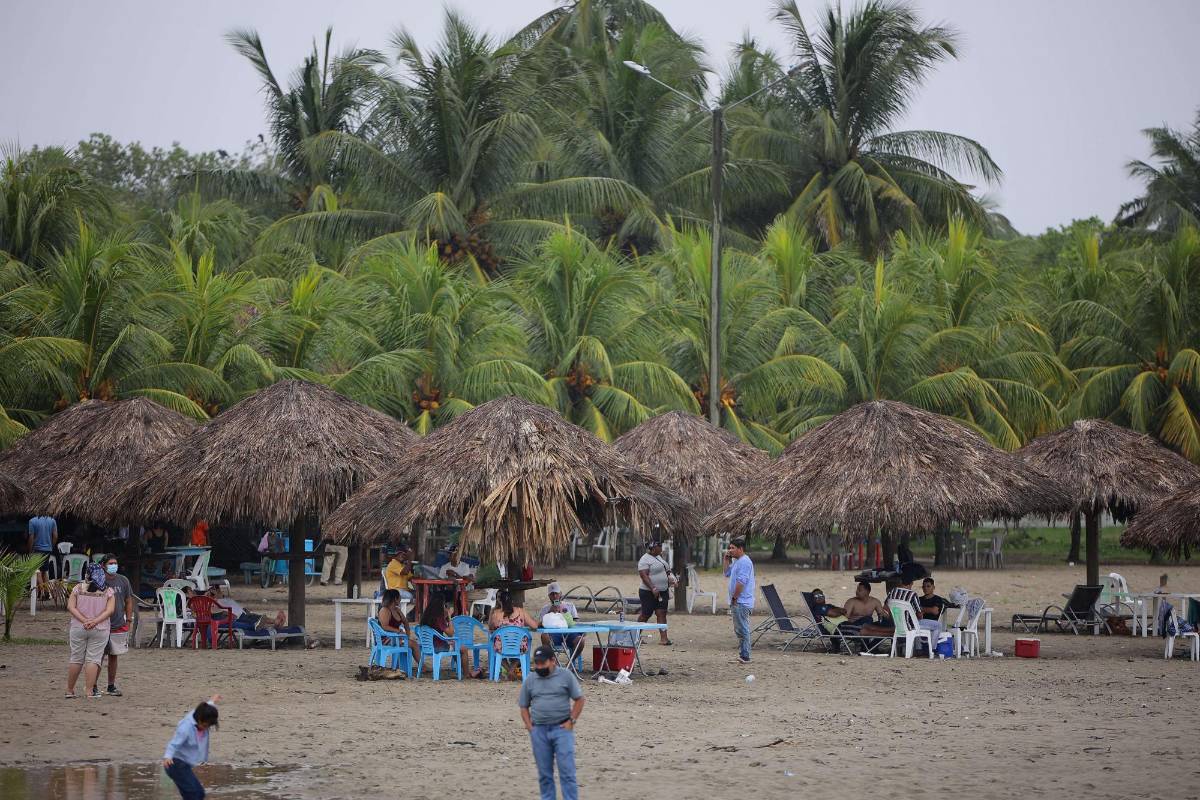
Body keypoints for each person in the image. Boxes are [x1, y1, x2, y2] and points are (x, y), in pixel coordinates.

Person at [519, 645, 585, 800]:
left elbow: (580, 699)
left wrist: (571, 721)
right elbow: (523, 706)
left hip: (562, 729)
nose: (539, 666)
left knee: (567, 772)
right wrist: (531, 728)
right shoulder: (530, 680)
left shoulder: (566, 676)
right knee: (544, 774)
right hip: (539, 731)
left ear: (553, 661)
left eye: (543, 663)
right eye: (537, 663)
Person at [66, 564, 115, 698]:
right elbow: (110, 610)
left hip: (78, 628)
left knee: (76, 658)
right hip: (100, 629)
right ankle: (89, 691)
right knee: (93, 659)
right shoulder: (107, 591)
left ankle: (69, 691)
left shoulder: (78, 588)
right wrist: (95, 621)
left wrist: (84, 620)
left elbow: (71, 607)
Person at [163, 695, 221, 800]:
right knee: (194, 795)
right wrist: (168, 757)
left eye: (208, 726)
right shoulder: (186, 728)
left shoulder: (199, 713)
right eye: (204, 725)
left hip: (184, 765)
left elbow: (204, 707)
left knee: (198, 794)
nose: (206, 728)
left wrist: (212, 701)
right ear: (199, 719)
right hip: (175, 764)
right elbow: (173, 744)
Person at [419, 601, 484, 678]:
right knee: (463, 649)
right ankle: (467, 674)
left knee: (455, 645)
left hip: (427, 646)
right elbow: (450, 633)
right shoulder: (438, 619)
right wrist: (449, 617)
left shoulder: (425, 617)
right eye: (444, 606)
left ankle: (463, 670)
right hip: (438, 647)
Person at [100, 554, 133, 697]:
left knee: (114, 656)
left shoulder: (123, 580)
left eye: (115, 563)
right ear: (103, 565)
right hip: (100, 623)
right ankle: (93, 685)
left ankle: (111, 685)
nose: (113, 565)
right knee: (98, 656)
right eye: (110, 563)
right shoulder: (98, 580)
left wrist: (129, 620)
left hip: (119, 623)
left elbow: (128, 600)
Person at [490, 590, 537, 679]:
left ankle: (509, 671)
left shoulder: (496, 614)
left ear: (500, 601)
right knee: (521, 646)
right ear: (512, 601)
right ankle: (512, 670)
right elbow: (534, 626)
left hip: (502, 647)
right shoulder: (521, 612)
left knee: (496, 648)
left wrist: (493, 611)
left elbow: (491, 628)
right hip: (519, 646)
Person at [723, 538, 755, 664]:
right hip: (738, 601)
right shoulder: (737, 561)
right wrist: (726, 559)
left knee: (742, 628)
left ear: (740, 548)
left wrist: (735, 598)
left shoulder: (745, 562)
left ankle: (745, 655)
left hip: (741, 601)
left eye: (732, 548)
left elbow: (741, 582)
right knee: (739, 628)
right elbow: (726, 573)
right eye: (729, 548)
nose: (730, 550)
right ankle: (743, 654)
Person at [636, 540, 674, 645]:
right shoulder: (644, 560)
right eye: (659, 546)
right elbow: (644, 575)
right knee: (645, 614)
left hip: (663, 591)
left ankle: (664, 638)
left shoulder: (659, 557)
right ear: (652, 548)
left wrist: (671, 578)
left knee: (661, 613)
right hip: (648, 592)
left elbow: (666, 570)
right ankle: (635, 636)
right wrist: (653, 588)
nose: (661, 548)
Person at [538, 582, 584, 661]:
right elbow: (541, 625)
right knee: (544, 636)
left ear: (561, 594)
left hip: (570, 633)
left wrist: (565, 614)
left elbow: (576, 622)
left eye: (556, 593)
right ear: (549, 596)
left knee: (581, 640)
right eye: (552, 594)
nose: (555, 596)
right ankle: (552, 662)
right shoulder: (545, 609)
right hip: (554, 634)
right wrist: (550, 612)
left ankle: (570, 662)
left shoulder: (570, 605)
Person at [27, 513, 58, 595]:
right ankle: (47, 592)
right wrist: (51, 546)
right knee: (44, 571)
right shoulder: (52, 520)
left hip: (37, 549)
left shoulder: (32, 521)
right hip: (47, 549)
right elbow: (55, 536)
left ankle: (42, 592)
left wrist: (30, 550)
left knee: (38, 572)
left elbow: (31, 538)